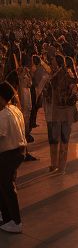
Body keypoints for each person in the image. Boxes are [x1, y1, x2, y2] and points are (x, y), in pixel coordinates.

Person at [42, 55, 78, 174]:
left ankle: (61, 167)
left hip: (63, 111)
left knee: (63, 138)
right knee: (55, 138)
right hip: (56, 111)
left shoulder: (66, 74)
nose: (50, 62)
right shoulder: (53, 75)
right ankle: (54, 165)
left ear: (57, 62)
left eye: (52, 60)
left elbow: (74, 89)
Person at [0, 82, 25, 234]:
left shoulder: (3, 115)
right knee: (4, 184)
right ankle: (6, 216)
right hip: (18, 151)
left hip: (9, 154)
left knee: (7, 186)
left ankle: (15, 221)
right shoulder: (14, 109)